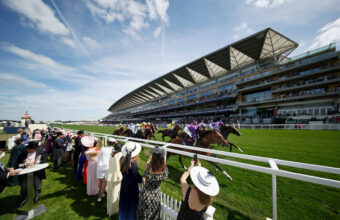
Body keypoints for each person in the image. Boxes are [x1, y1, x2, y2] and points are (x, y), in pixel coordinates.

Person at [137, 146, 168, 220]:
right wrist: (163, 160)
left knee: (143, 213)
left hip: (145, 194)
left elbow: (146, 165)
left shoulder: (149, 167)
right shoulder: (164, 170)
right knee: (153, 214)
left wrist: (150, 158)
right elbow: (166, 176)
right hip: (155, 195)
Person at [16, 141, 48, 208]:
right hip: (25, 172)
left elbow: (45, 159)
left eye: (30, 149)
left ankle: (37, 197)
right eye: (28, 149)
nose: (28, 150)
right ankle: (24, 199)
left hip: (37, 172)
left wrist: (36, 163)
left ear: (35, 149)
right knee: (24, 187)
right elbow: (17, 162)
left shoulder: (41, 152)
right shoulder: (24, 153)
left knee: (37, 186)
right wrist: (21, 165)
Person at [119, 142, 143, 220]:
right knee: (131, 206)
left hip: (124, 184)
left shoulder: (122, 159)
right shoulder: (133, 163)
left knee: (124, 204)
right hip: (132, 187)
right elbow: (136, 177)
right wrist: (142, 179)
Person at [106, 142, 123, 217]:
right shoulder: (120, 155)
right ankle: (113, 211)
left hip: (110, 175)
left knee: (110, 193)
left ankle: (109, 210)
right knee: (115, 194)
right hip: (116, 176)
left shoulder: (111, 154)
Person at [97, 138, 116, 202]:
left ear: (108, 142)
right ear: (114, 143)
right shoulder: (114, 150)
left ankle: (101, 194)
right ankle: (100, 196)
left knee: (99, 181)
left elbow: (99, 157)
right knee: (104, 182)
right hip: (107, 167)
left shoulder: (103, 148)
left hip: (100, 166)